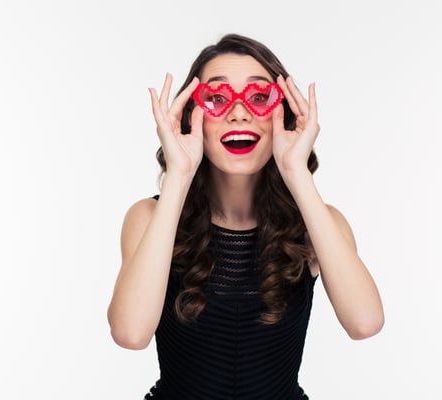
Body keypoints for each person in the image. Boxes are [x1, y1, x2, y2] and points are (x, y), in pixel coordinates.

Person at [107, 33, 384, 400]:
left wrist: (296, 171)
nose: (239, 112)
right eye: (217, 99)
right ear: (193, 118)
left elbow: (365, 323)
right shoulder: (149, 216)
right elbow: (130, 333)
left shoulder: (320, 224)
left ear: (282, 115)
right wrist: (179, 174)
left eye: (259, 98)